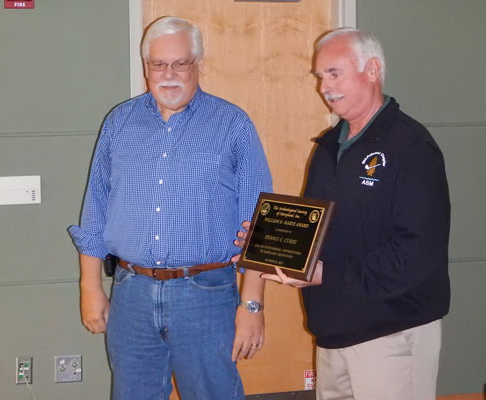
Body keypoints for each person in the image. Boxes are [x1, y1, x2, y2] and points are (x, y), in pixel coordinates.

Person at [235, 28, 450, 400]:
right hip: (333, 332)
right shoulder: (328, 146)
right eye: (320, 77)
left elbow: (418, 253)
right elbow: (315, 230)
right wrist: (267, 247)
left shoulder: (411, 146)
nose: (324, 87)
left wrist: (325, 273)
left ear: (373, 70)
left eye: (334, 73)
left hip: (391, 332)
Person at [68, 16, 272, 400]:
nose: (169, 74)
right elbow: (95, 209)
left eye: (181, 63)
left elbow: (257, 224)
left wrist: (252, 304)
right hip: (132, 295)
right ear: (146, 68)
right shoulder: (119, 123)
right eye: (158, 64)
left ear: (198, 65)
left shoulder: (232, 125)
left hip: (206, 295)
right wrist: (89, 285)